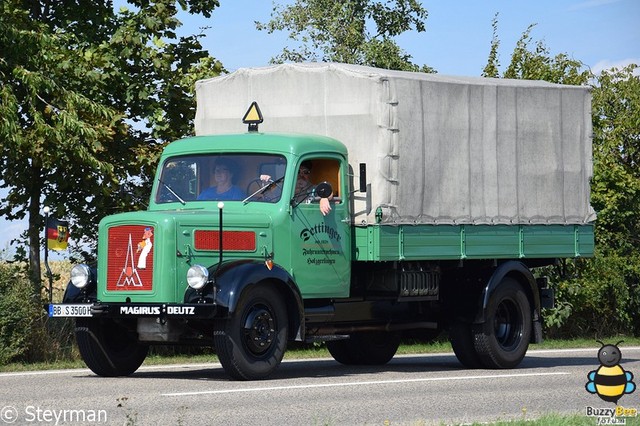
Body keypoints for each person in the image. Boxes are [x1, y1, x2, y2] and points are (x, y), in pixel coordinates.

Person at [261, 160, 333, 215]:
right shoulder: (283, 188)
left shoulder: (313, 188)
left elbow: (329, 191)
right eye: (298, 172)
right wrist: (265, 184)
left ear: (309, 174)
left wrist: (324, 198)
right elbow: (269, 198)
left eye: (306, 172)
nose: (301, 175)